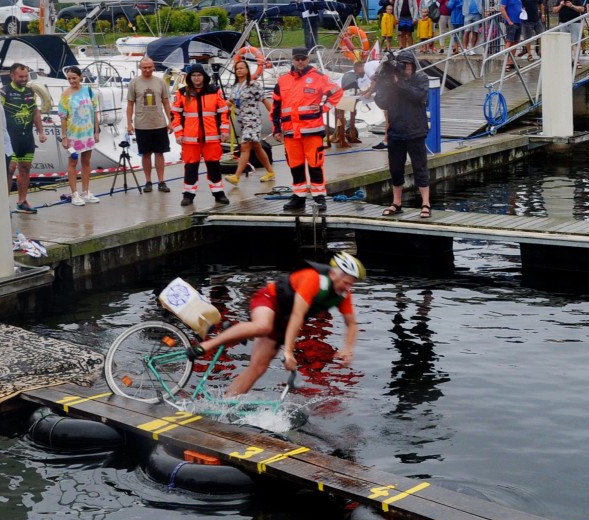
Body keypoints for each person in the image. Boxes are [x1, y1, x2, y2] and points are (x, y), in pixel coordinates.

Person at [184, 252, 366, 396]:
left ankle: (227, 402)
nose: (348, 288)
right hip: (270, 300)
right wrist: (288, 352)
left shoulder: (343, 295)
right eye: (346, 283)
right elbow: (297, 315)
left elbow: (351, 324)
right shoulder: (313, 279)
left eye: (351, 284)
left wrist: (348, 349)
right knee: (264, 326)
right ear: (334, 274)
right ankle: (206, 345)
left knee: (258, 368)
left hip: (283, 320)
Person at [270, 47, 342, 212]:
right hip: (290, 132)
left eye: (303, 58)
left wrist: (323, 108)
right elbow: (276, 107)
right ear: (293, 60)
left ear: (308, 60)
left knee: (315, 165)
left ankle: (319, 197)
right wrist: (276, 129)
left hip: (312, 130)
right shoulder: (282, 80)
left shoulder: (318, 77)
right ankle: (299, 196)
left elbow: (337, 92)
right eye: (297, 59)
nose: (300, 61)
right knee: (295, 165)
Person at [374, 51, 433, 219]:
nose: (405, 68)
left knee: (420, 167)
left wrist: (398, 83)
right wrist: (384, 83)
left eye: (407, 64)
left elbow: (418, 96)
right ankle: (397, 203)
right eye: (402, 65)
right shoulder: (392, 80)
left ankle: (426, 203)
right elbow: (381, 102)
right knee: (396, 169)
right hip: (396, 131)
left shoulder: (421, 79)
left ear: (413, 65)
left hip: (415, 131)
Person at [171, 63, 230, 206]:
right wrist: (178, 134)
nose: (196, 78)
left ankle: (219, 193)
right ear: (189, 78)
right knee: (191, 167)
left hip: (212, 136)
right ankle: (188, 195)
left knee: (214, 165)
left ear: (204, 76)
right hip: (190, 138)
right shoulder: (182, 93)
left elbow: (223, 112)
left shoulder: (214, 91)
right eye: (194, 75)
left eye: (199, 75)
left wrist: (224, 130)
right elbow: (175, 115)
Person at [1, 63, 47, 214]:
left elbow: (35, 112)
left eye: (26, 76)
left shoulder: (29, 91)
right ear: (12, 76)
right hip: (10, 138)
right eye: (20, 76)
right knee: (10, 169)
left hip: (26, 137)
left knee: (25, 167)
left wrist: (41, 131)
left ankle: (21, 202)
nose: (24, 79)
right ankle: (4, 205)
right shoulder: (4, 92)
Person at [224, 59, 278, 185]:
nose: (239, 70)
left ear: (247, 70)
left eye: (242, 68)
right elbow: (230, 102)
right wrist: (216, 106)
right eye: (237, 69)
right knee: (257, 147)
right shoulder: (235, 86)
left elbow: (264, 100)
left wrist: (274, 117)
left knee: (245, 147)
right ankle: (270, 172)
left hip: (253, 120)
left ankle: (236, 176)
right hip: (242, 121)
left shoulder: (254, 85)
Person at [125, 56, 172, 193]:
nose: (147, 70)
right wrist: (129, 123)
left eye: (149, 67)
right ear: (140, 68)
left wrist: (170, 121)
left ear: (153, 67)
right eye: (144, 67)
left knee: (159, 153)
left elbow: (166, 102)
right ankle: (148, 181)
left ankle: (161, 181)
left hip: (159, 123)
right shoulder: (134, 83)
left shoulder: (160, 82)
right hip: (142, 125)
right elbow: (130, 104)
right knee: (145, 154)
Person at [59, 66, 100, 206]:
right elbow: (63, 117)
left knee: (86, 162)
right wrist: (64, 137)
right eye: (69, 79)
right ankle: (74, 193)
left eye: (74, 78)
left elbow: (95, 112)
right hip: (73, 134)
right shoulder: (65, 95)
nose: (71, 81)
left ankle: (86, 191)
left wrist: (96, 131)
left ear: (80, 77)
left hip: (87, 132)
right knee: (73, 162)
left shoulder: (89, 91)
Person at [553, 0, 588, 66]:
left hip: (575, 23)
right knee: (564, 43)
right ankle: (567, 60)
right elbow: (554, 10)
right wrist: (561, 5)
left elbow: (582, 9)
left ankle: (576, 61)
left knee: (576, 42)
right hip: (563, 23)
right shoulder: (560, 1)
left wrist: (572, 6)